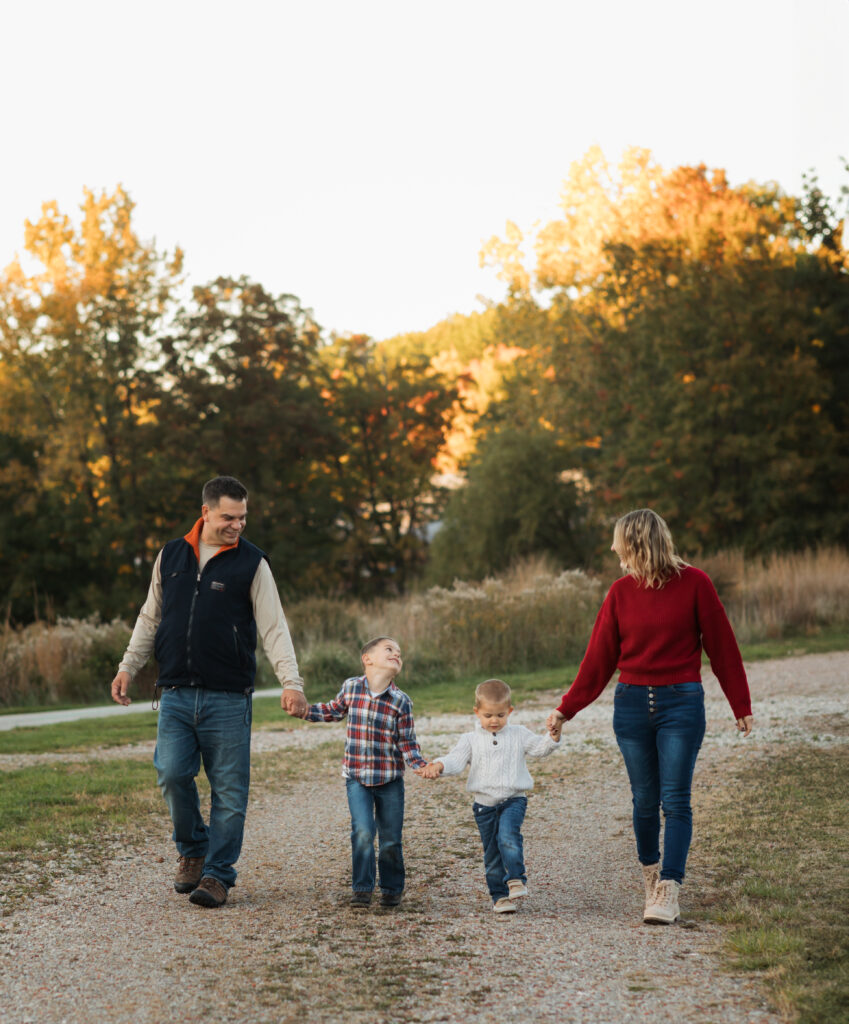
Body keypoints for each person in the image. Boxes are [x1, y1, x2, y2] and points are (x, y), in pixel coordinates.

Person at [546, 508, 753, 925]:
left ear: (636, 543)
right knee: (644, 801)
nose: (612, 548)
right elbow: (598, 660)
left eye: (618, 541)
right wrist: (565, 708)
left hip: (682, 703)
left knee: (676, 800)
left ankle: (669, 889)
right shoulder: (620, 592)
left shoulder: (696, 584)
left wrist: (741, 705)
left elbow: (723, 648)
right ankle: (651, 873)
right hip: (632, 705)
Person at [110, 475, 307, 909]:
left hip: (229, 697)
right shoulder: (172, 555)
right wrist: (129, 666)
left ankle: (218, 875)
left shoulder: (253, 563)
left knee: (230, 793)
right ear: (205, 512)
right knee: (172, 773)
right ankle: (194, 848)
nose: (237, 525)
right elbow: (150, 617)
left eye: (242, 518)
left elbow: (274, 628)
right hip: (176, 693)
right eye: (228, 517)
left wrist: (291, 683)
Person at [297, 636, 426, 909]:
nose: (396, 654)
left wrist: (421, 766)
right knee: (363, 832)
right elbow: (333, 711)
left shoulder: (401, 701)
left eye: (399, 652)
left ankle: (391, 888)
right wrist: (305, 711)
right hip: (357, 778)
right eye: (389, 649)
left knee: (390, 839)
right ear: (367, 659)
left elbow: (407, 743)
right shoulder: (351, 688)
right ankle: (362, 888)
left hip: (389, 780)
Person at [420, 678, 561, 914]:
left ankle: (516, 878)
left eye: (500, 715)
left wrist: (553, 736)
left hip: (514, 799)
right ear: (476, 713)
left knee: (508, 835)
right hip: (483, 805)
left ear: (510, 711)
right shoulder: (470, 739)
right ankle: (499, 896)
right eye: (487, 716)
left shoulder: (518, 734)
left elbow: (539, 748)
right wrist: (440, 765)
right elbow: (455, 760)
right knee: (492, 852)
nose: (494, 720)